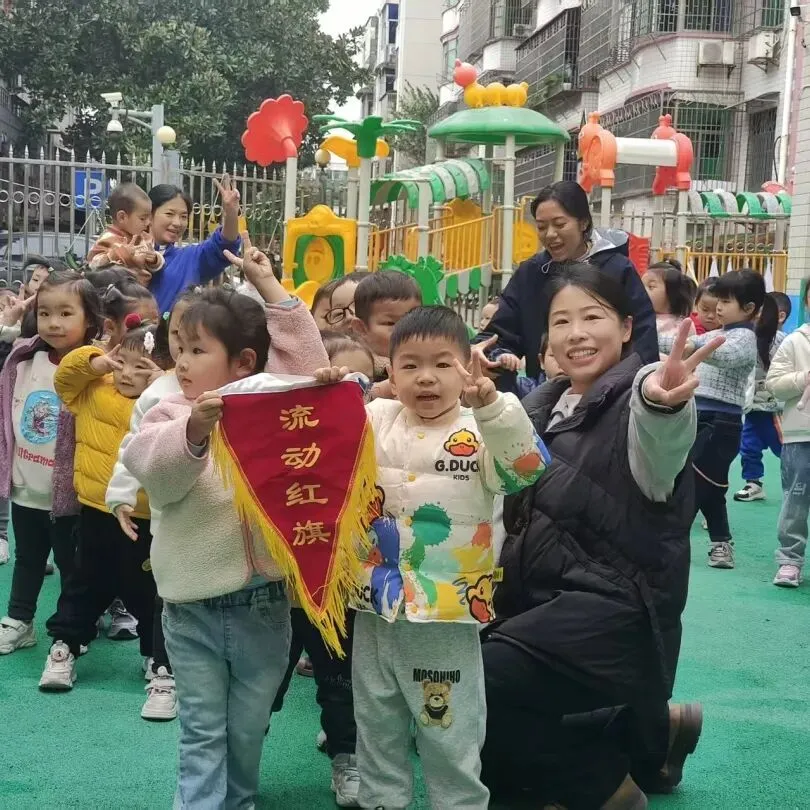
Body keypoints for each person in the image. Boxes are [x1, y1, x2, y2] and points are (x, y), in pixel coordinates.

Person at [481, 265, 722, 809]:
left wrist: (665, 402)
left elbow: (661, 436)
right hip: (540, 609)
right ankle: (647, 734)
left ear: (627, 327)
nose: (577, 334)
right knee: (447, 695)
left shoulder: (639, 400)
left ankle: (602, 785)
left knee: (477, 686)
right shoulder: (539, 406)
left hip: (616, 617)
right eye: (561, 321)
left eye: (593, 317)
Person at [122, 239, 328, 808]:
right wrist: (194, 431)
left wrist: (269, 287)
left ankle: (238, 800)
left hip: (263, 602)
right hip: (190, 607)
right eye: (177, 349)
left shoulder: (273, 409)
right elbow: (153, 472)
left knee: (248, 727)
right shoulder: (169, 410)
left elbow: (307, 367)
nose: (182, 362)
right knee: (202, 729)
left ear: (243, 362)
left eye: (197, 350)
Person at [318, 306, 549, 810]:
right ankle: (381, 800)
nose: (426, 377)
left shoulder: (482, 426)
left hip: (446, 610)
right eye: (410, 365)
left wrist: (494, 408)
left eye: (443, 364)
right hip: (376, 605)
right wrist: (332, 392)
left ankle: (459, 803)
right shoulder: (375, 419)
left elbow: (526, 469)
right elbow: (324, 438)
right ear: (391, 369)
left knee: (449, 730)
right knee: (376, 723)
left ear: (467, 367)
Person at [270, 329, 373, 808]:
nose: (347, 394)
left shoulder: (380, 432)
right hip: (281, 590)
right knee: (264, 684)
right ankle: (239, 757)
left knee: (341, 682)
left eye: (360, 383)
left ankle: (346, 754)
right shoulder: (280, 437)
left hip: (342, 591)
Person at [39, 320, 165, 693]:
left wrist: (165, 384)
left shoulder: (165, 404)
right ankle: (65, 645)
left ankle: (158, 658)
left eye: (141, 367)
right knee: (82, 583)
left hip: (145, 517)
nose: (126, 373)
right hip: (95, 510)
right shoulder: (94, 389)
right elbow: (65, 379)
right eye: (121, 361)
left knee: (149, 591)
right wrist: (94, 362)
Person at [105, 286, 202, 721]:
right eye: (179, 332)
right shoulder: (157, 392)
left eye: (201, 338)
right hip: (169, 518)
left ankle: (206, 675)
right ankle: (164, 673)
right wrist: (121, 496)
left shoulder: (239, 388)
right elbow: (133, 447)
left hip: (224, 523)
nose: (186, 345)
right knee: (167, 595)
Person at [0, 271, 104, 654]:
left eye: (65, 313)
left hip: (71, 494)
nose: (53, 323)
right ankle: (19, 621)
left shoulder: (96, 368)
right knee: (27, 558)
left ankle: (72, 628)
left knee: (71, 565)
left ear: (89, 319)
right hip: (26, 485)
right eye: (45, 313)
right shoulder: (24, 359)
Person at [476, 180, 658, 393]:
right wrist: (487, 354)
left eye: (560, 224)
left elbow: (643, 340)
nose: (550, 234)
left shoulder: (617, 270)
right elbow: (501, 333)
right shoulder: (531, 273)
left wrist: (639, 391)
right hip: (547, 395)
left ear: (583, 223)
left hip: (612, 394)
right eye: (542, 227)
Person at [661, 269, 765, 569]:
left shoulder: (744, 337)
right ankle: (721, 544)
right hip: (699, 416)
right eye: (718, 300)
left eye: (726, 301)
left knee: (694, 483)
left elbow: (724, 355)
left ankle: (669, 540)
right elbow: (678, 344)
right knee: (711, 486)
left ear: (748, 308)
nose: (718, 307)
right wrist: (639, 334)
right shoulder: (719, 333)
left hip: (723, 423)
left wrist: (693, 346)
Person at [765, 283, 810, 588]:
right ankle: (790, 560)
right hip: (801, 434)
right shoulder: (796, 341)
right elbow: (774, 384)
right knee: (796, 499)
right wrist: (804, 378)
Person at [147, 176, 242, 313]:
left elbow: (224, 246)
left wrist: (231, 212)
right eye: (169, 214)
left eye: (183, 216)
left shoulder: (189, 258)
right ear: (149, 215)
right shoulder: (124, 250)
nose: (177, 223)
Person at [735, 290, 785, 503]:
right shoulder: (744, 338)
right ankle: (753, 483)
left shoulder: (782, 341)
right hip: (751, 407)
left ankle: (799, 482)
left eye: (760, 311)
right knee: (748, 446)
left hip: (774, 409)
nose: (755, 315)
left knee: (784, 448)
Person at [350, 270, 422, 396]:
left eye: (413, 320)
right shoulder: (354, 365)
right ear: (361, 328)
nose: (406, 330)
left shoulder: (432, 359)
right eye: (390, 323)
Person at [87, 183, 164, 284]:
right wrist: (115, 255)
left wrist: (154, 259)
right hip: (115, 289)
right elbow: (93, 265)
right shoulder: (108, 238)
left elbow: (154, 264)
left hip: (141, 290)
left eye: (149, 218)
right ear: (122, 217)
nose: (148, 222)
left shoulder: (143, 238)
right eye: (142, 218)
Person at [641, 259, 697, 340]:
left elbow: (690, 345)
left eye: (651, 286)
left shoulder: (683, 324)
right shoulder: (637, 318)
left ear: (672, 292)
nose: (642, 290)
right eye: (641, 285)